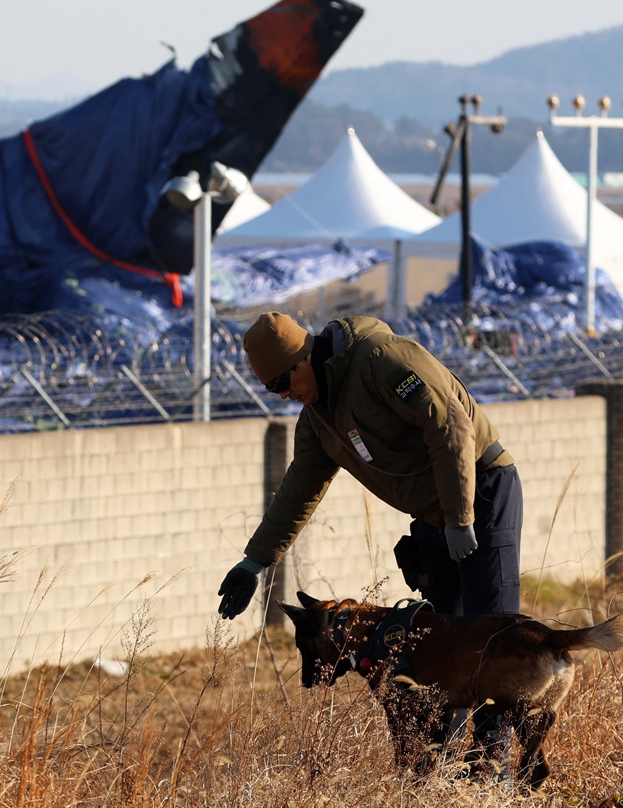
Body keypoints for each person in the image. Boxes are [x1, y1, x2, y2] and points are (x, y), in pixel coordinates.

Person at [216, 313, 523, 773]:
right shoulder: (319, 418)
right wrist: (254, 562)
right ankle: (443, 769)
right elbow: (300, 488)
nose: (284, 394)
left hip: (482, 488)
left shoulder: (380, 360)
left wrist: (462, 518)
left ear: (305, 357)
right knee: (441, 643)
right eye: (272, 390)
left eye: (284, 381)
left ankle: (492, 770)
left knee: (490, 633)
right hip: (436, 515)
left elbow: (450, 425)